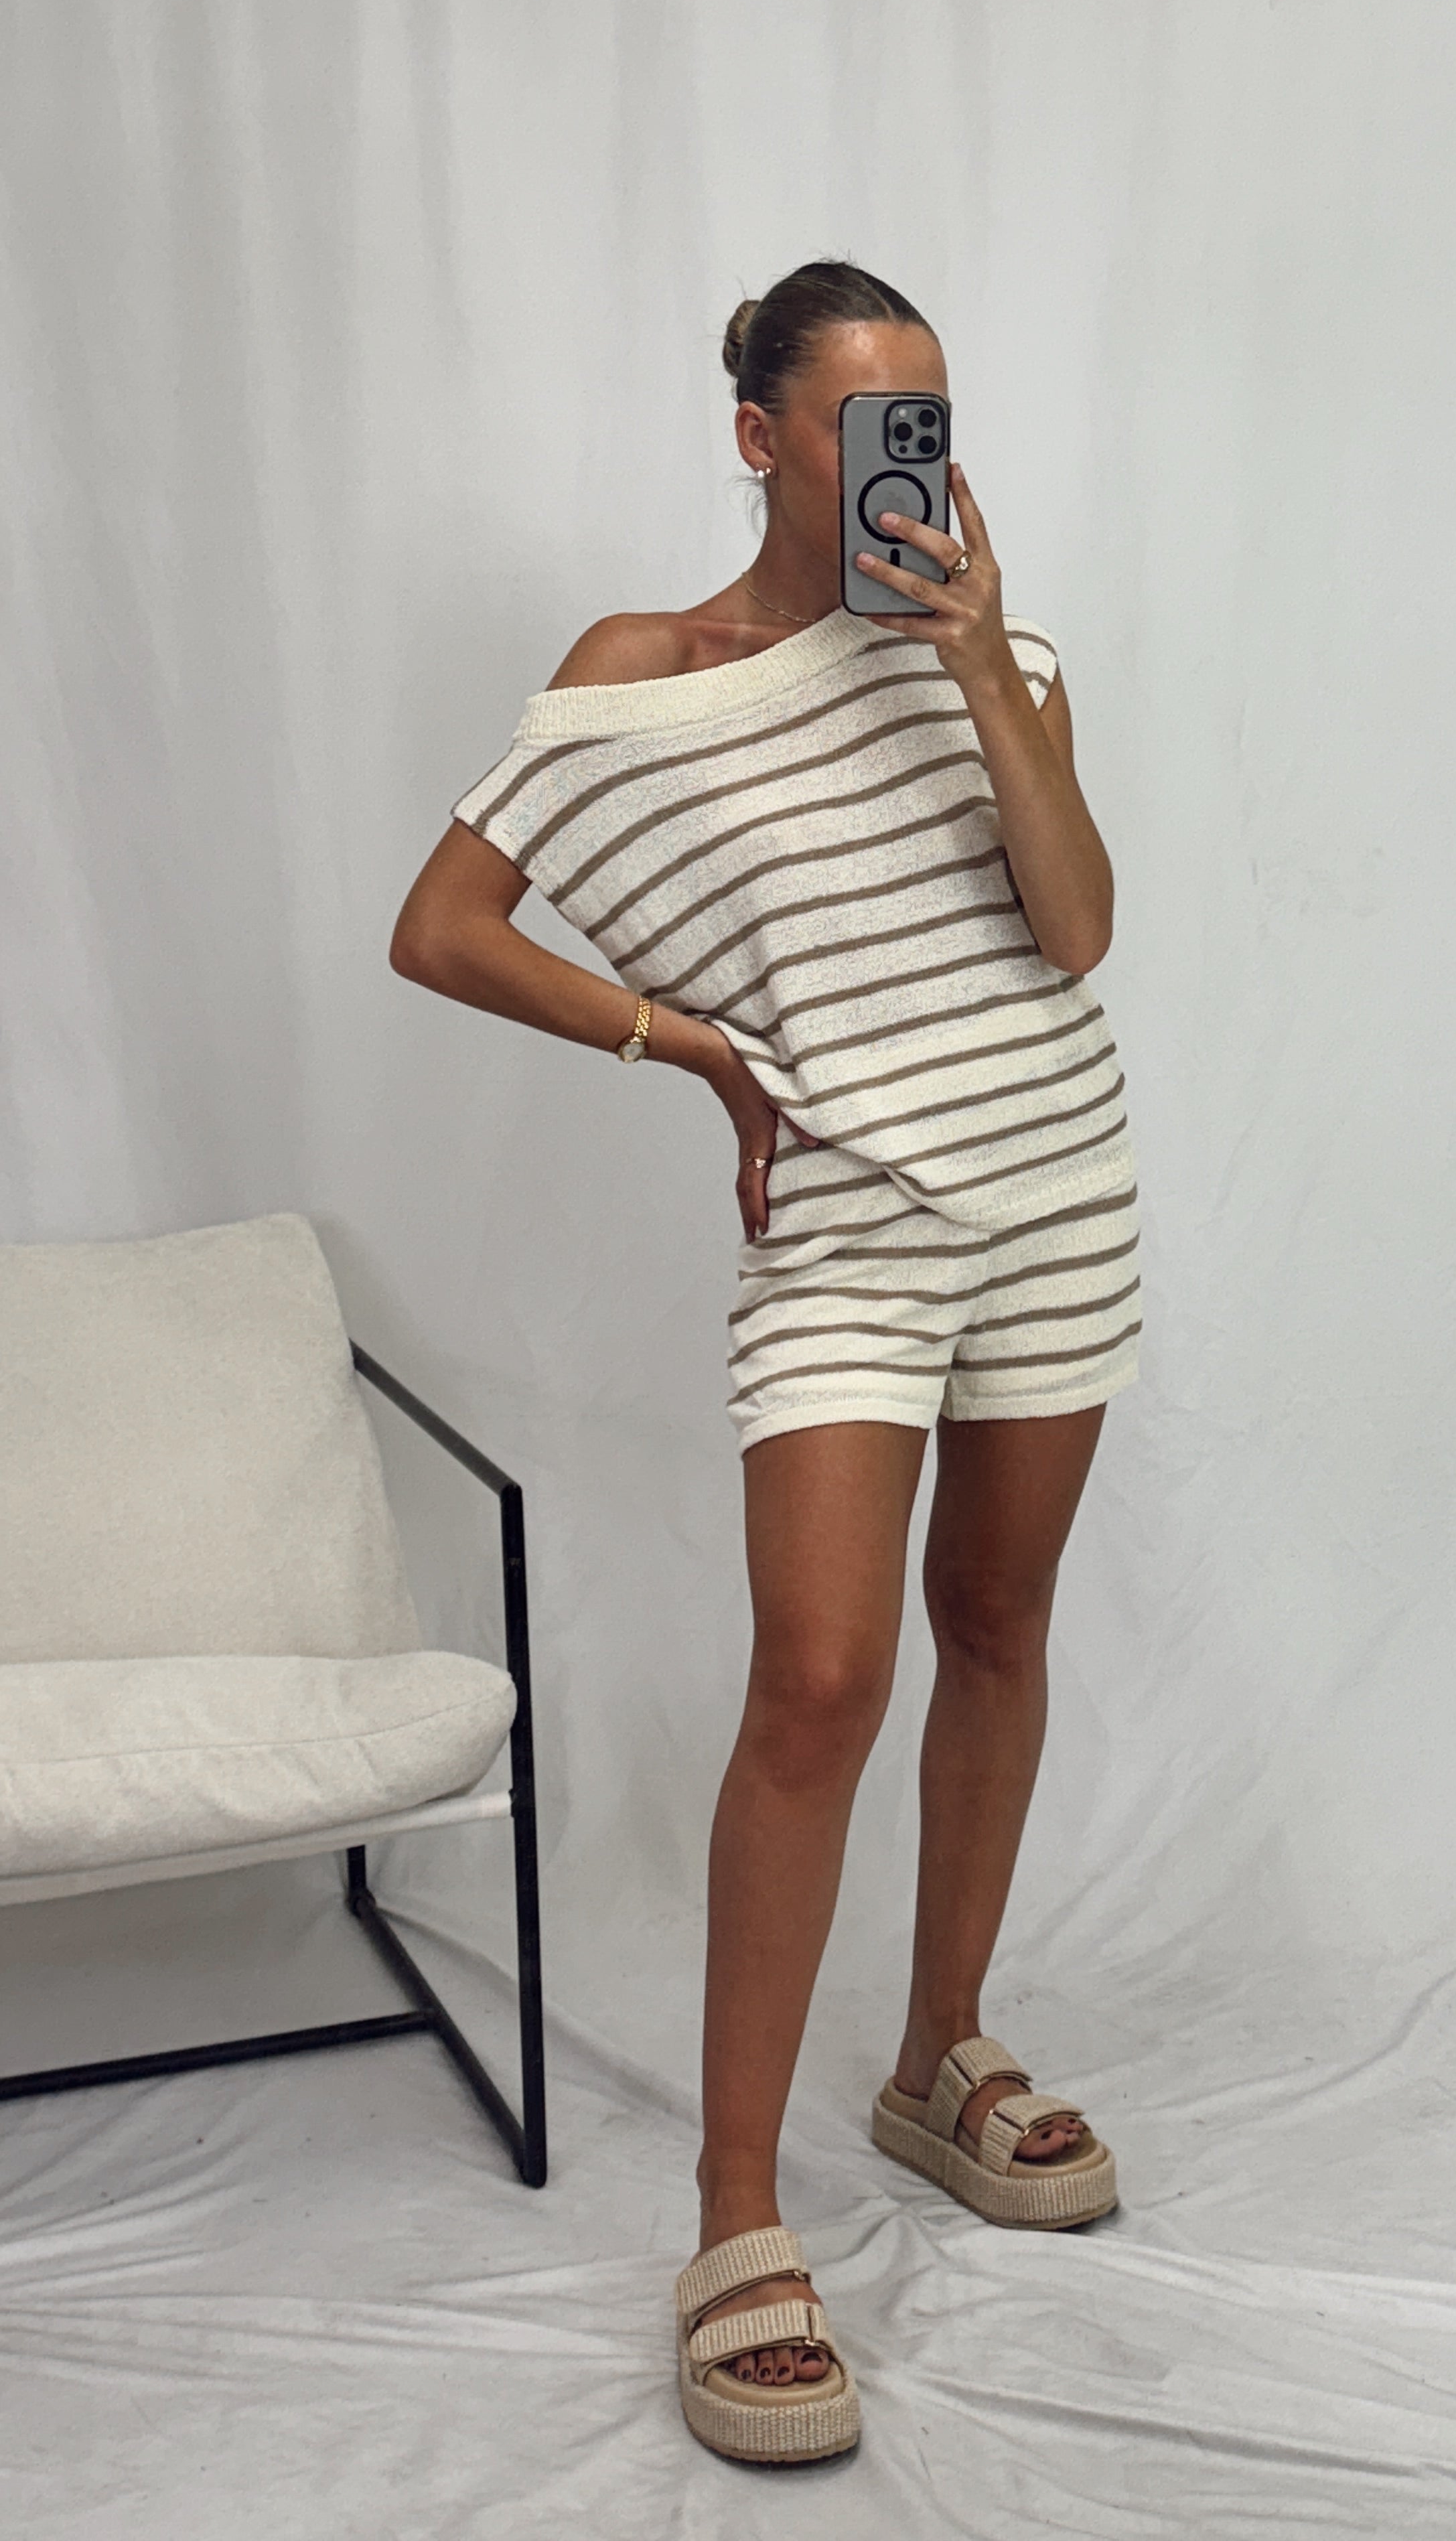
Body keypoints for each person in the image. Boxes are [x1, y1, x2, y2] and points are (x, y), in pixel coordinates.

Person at [389, 258, 1141, 2465]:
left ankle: (938, 2057)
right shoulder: (638, 679)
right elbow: (441, 929)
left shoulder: (1002, 656)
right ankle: (735, 2214)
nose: (916, 458)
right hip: (848, 1241)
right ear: (759, 436)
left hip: (1054, 1194)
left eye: (937, 418)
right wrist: (693, 1045)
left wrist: (980, 661)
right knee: (818, 1682)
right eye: (866, 421)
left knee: (996, 1624)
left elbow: (1078, 931)